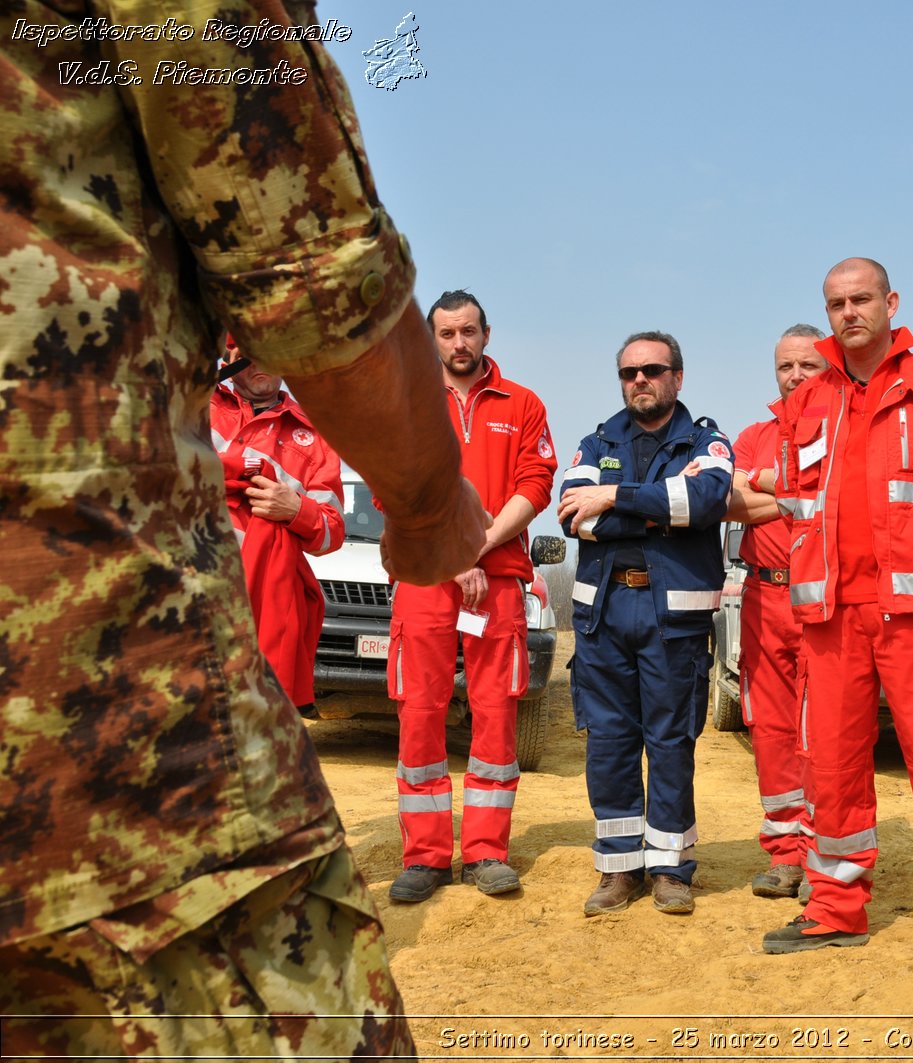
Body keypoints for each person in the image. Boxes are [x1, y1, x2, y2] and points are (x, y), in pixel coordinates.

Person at [0, 2, 487, 1057]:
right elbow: (313, 280)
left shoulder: (343, 425)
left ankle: (472, 846)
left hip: (278, 624)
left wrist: (306, 509)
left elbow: (320, 520)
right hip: (104, 730)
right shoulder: (236, 412)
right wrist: (428, 504)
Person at [762, 257, 913, 957]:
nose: (849, 312)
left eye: (861, 298)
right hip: (831, 617)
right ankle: (836, 905)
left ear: (890, 301)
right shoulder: (806, 402)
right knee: (832, 764)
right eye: (836, 302)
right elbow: (788, 501)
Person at [387, 291, 558, 903]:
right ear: (431, 338)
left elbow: (535, 484)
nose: (458, 343)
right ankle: (426, 856)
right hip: (423, 578)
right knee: (420, 714)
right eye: (446, 333)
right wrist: (452, 554)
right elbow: (396, 491)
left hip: (500, 580)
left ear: (487, 333)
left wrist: (478, 545)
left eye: (468, 332)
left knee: (495, 714)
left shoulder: (524, 404)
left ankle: (487, 851)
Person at [557, 331, 731, 917]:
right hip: (604, 614)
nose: (640, 381)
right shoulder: (597, 440)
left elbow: (704, 501)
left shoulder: (704, 441)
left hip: (672, 619)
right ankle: (617, 868)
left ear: (677, 377)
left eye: (653, 370)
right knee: (608, 743)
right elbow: (573, 517)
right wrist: (654, 510)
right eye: (629, 372)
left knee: (671, 742)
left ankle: (670, 869)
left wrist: (614, 498)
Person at [725, 324, 832, 897]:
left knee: (824, 732)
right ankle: (785, 853)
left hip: (823, 597)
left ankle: (822, 854)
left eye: (806, 367)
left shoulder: (842, 430)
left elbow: (834, 496)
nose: (794, 377)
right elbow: (728, 502)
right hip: (764, 597)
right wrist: (796, 495)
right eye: (785, 367)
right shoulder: (754, 434)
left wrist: (769, 493)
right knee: (770, 730)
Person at [212, 334, 346, 719]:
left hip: (260, 616)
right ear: (232, 355)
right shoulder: (191, 404)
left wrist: (294, 509)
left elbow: (331, 534)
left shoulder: (316, 436)